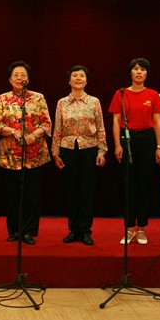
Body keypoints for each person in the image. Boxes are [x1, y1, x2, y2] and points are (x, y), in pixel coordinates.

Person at [0, 61, 51, 245]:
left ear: (28, 79)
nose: (19, 78)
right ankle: (14, 231)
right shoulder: (1, 99)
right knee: (12, 195)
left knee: (32, 195)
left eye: (23, 75)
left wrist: (34, 135)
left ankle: (28, 231)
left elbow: (46, 123)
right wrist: (13, 132)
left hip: (35, 154)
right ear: (10, 79)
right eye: (16, 75)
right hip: (10, 155)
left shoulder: (38, 98)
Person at [109, 58, 160, 245]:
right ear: (130, 73)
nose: (139, 72)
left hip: (147, 140)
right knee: (129, 185)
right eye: (136, 69)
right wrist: (117, 145)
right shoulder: (121, 94)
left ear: (147, 73)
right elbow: (116, 121)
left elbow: (157, 122)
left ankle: (141, 228)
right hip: (127, 140)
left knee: (144, 185)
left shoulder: (153, 95)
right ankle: (128, 228)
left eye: (142, 69)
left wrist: (159, 146)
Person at [52, 65, 107, 246]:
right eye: (74, 76)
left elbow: (100, 128)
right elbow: (57, 129)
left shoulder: (94, 102)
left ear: (86, 81)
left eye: (81, 76)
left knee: (87, 191)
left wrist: (101, 151)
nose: (78, 78)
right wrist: (55, 153)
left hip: (89, 148)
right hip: (68, 148)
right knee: (71, 191)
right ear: (69, 81)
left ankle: (85, 230)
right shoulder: (62, 103)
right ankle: (73, 229)